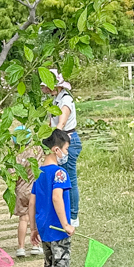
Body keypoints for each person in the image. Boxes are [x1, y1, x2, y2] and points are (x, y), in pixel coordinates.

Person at [30, 128, 80, 267]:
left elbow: (32, 202)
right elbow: (57, 197)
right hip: (58, 228)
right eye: (65, 149)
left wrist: (33, 228)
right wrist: (66, 224)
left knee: (49, 264)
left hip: (43, 227)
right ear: (56, 150)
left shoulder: (39, 172)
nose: (66, 154)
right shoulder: (60, 173)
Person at [50, 72, 81, 220]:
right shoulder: (55, 99)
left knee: (70, 179)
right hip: (59, 140)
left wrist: (56, 144)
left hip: (67, 140)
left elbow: (61, 123)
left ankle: (73, 215)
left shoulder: (66, 100)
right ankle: (64, 212)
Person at [14, 140, 42, 257]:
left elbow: (12, 175)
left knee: (23, 219)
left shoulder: (14, 155)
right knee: (34, 217)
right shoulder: (36, 150)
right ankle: (35, 245)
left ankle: (21, 248)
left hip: (20, 190)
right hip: (33, 190)